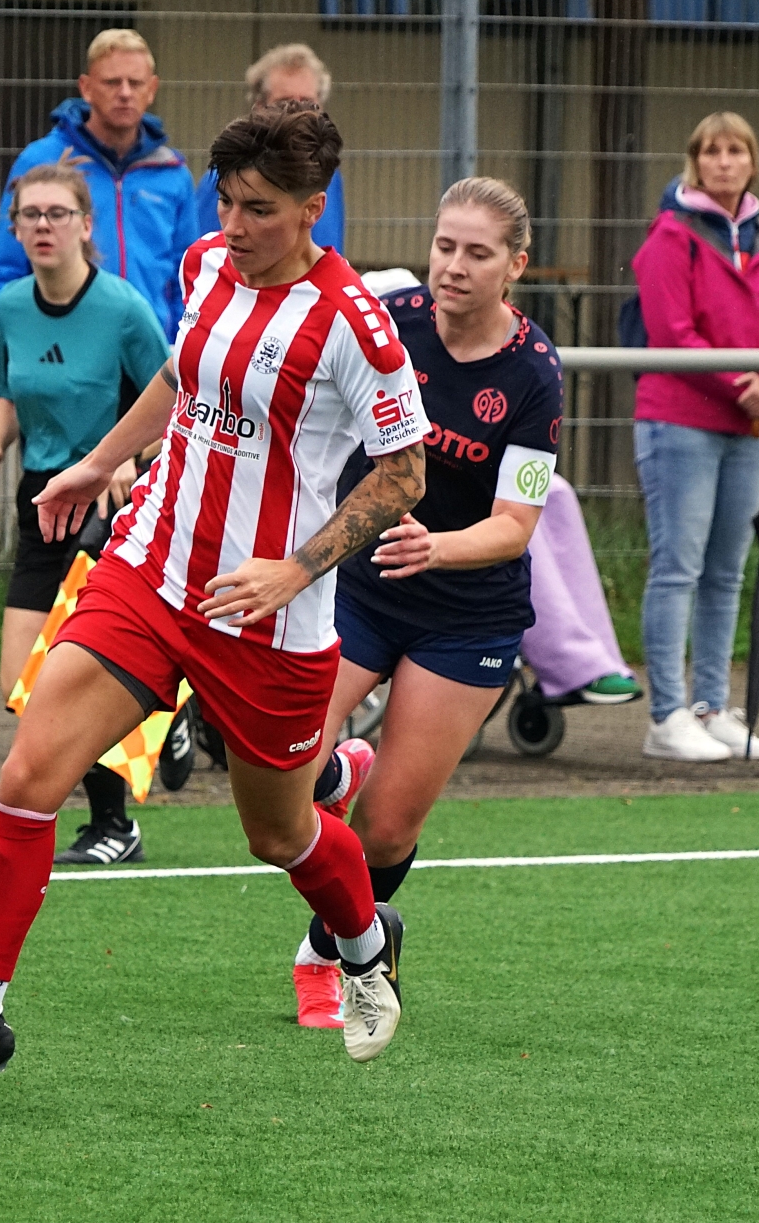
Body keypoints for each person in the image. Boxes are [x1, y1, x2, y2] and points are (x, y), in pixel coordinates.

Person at [0, 101, 429, 1077]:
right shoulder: (207, 264)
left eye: (259, 210)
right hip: (150, 570)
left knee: (278, 833)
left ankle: (367, 941)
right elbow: (180, 375)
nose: (233, 226)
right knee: (28, 778)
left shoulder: (356, 325)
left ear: (313, 209)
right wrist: (95, 461)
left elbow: (405, 474)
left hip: (269, 616)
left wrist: (296, 566)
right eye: (225, 202)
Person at [284, 178, 561, 1030]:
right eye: (445, 246)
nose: (454, 266)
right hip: (362, 584)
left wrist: (435, 545)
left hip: (467, 614)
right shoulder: (389, 319)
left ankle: (329, 951)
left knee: (387, 830)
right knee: (284, 765)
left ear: (515, 266)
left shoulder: (534, 373)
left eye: (478, 253)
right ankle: (338, 769)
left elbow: (516, 524)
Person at [0, 161, 169, 865]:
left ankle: (114, 824)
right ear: (15, 228)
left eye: (57, 213)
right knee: (19, 681)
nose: (43, 225)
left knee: (82, 675)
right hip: (40, 501)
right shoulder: (12, 306)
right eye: (30, 215)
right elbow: (7, 389)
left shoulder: (124, 309)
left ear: (86, 225)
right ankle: (170, 711)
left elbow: (179, 404)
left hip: (109, 507)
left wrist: (127, 459)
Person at [630, 111, 759, 763]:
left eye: (736, 151)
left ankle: (711, 706)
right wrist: (741, 383)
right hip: (681, 421)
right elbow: (673, 331)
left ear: (753, 162)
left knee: (727, 571)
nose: (724, 162)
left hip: (749, 427)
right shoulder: (671, 236)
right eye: (712, 151)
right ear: (695, 162)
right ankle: (666, 714)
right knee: (678, 567)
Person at [0, 29, 200, 343]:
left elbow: (189, 278)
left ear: (152, 89)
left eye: (135, 83)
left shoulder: (172, 173)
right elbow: (5, 273)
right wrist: (38, 344)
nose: (124, 93)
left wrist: (176, 345)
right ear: (86, 88)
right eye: (112, 82)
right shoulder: (41, 162)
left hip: (150, 351)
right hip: (64, 347)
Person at [195, 43, 345, 251]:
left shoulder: (329, 176)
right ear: (259, 108)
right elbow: (208, 254)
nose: (298, 111)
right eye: (284, 102)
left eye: (308, 103)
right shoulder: (226, 176)